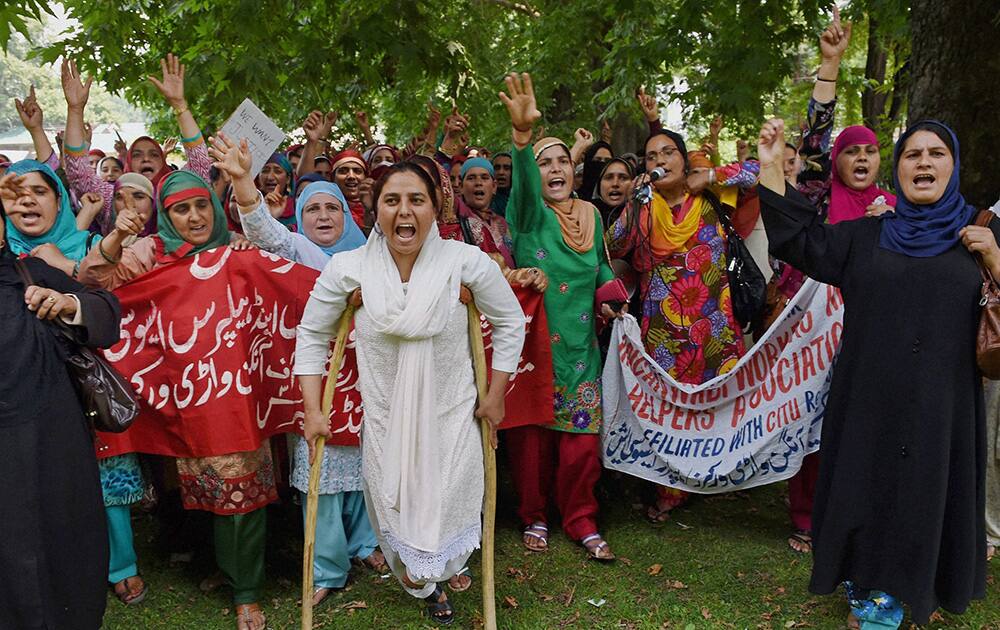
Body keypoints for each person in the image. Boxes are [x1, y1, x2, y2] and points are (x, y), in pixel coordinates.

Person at [757, 117, 990, 629]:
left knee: (928, 492)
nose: (924, 162)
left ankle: (920, 584)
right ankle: (870, 596)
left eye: (936, 154)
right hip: (869, 400)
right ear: (899, 167)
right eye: (912, 154)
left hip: (941, 405)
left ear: (953, 166)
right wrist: (773, 167)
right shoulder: (866, 236)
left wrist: (995, 256)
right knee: (868, 490)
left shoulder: (978, 237)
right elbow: (800, 240)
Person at [296, 161, 526, 624]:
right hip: (384, 416)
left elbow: (509, 321)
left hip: (453, 412)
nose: (405, 212)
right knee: (396, 511)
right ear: (375, 210)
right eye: (392, 200)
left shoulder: (464, 260)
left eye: (416, 200)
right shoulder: (350, 268)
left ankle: (440, 575)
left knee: (448, 501)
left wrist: (496, 394)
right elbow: (311, 335)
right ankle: (422, 581)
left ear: (435, 206)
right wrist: (313, 408)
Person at [77, 168, 268, 630]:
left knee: (240, 489)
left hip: (232, 397)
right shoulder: (148, 251)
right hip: (174, 395)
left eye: (202, 204)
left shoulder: (236, 247)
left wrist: (245, 251)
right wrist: (113, 242)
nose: (195, 216)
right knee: (189, 492)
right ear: (165, 216)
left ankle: (247, 593)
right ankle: (220, 569)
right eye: (181, 209)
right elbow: (93, 283)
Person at [215, 135, 387, 605]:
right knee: (322, 473)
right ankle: (328, 568)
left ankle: (367, 544)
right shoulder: (296, 252)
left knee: (367, 468)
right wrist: (242, 181)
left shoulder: (372, 253)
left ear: (347, 213)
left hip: (367, 378)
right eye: (313, 210)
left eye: (332, 208)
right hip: (314, 382)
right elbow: (262, 229)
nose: (325, 217)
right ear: (301, 218)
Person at [606, 125, 759, 523]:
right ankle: (670, 488)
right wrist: (636, 201)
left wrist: (709, 175)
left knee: (717, 401)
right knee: (668, 408)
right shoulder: (645, 205)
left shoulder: (709, 197)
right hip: (663, 329)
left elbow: (755, 173)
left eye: (668, 152)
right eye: (652, 156)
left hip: (714, 323)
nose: (660, 161)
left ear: (684, 158)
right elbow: (614, 243)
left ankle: (717, 473)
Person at [499, 72, 623, 561]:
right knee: (532, 443)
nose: (553, 169)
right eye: (544, 162)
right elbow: (526, 186)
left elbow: (602, 268)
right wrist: (523, 139)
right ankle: (534, 515)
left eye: (560, 162)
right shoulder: (529, 215)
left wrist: (609, 298)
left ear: (573, 171)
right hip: (535, 346)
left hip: (580, 347)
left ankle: (581, 520)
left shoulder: (591, 214)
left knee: (580, 445)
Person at [0, 173, 122, 630]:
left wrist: (68, 305)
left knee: (64, 560)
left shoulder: (32, 273)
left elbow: (108, 315)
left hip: (53, 450)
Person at [61, 55, 212, 236]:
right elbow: (77, 171)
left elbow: (201, 164)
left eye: (154, 154)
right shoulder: (111, 196)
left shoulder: (176, 193)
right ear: (128, 163)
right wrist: (75, 110)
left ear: (163, 161)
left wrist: (179, 105)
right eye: (138, 155)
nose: (146, 158)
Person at [458, 156, 515, 269]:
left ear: (494, 187)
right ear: (461, 187)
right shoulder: (456, 221)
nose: (478, 182)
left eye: (484, 178)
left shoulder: (502, 222)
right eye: (471, 178)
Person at [592, 157, 634, 229]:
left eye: (623, 178)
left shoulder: (646, 214)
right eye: (608, 178)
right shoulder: (588, 213)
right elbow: (608, 240)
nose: (615, 184)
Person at [490, 152, 512, 216]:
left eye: (506, 168)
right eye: (497, 168)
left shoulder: (522, 200)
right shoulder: (484, 200)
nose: (501, 172)